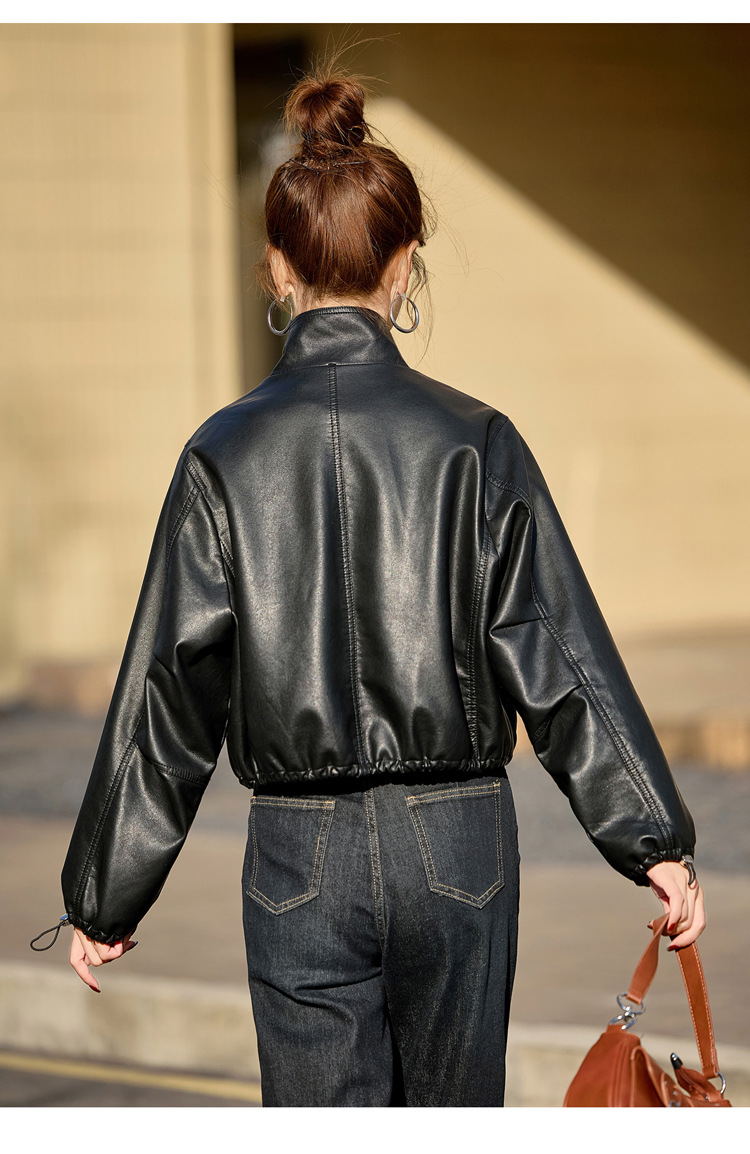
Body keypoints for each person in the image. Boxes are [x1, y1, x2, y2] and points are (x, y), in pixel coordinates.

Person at [32, 56, 705, 1108]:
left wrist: (105, 892)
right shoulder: (476, 442)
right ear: (405, 262)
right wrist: (653, 841)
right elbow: (557, 652)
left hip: (299, 852)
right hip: (460, 841)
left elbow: (170, 688)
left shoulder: (223, 456)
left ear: (276, 267)